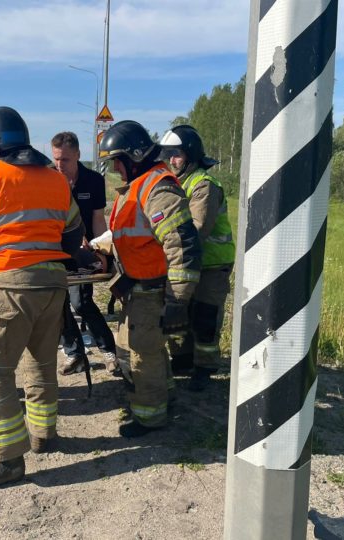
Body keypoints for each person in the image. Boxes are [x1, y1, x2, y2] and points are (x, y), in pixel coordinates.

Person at [0, 106, 84, 489]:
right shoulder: (56, 179)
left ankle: (7, 460)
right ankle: (44, 435)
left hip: (12, 285)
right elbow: (74, 233)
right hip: (54, 285)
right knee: (41, 361)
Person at [93, 120, 201, 438]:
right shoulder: (140, 186)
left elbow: (181, 245)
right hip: (137, 289)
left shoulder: (158, 188)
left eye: (116, 161)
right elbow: (134, 238)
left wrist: (178, 299)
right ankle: (163, 397)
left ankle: (151, 417)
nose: (114, 168)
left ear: (133, 156)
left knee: (145, 352)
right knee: (141, 349)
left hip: (152, 291)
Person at [158, 125, 235, 391]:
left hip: (212, 264)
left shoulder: (204, 184)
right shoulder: (176, 182)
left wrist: (167, 248)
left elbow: (199, 227)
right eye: (169, 155)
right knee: (179, 312)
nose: (172, 160)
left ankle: (204, 369)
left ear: (190, 155)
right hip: (187, 260)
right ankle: (181, 361)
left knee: (204, 316)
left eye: (176, 154)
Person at [50, 132, 120, 376]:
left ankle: (109, 350)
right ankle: (75, 354)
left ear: (78, 155)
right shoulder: (47, 178)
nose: (60, 165)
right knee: (57, 304)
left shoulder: (93, 180)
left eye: (66, 160)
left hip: (84, 251)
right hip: (55, 251)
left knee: (81, 302)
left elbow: (98, 218)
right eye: (56, 159)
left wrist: (100, 248)